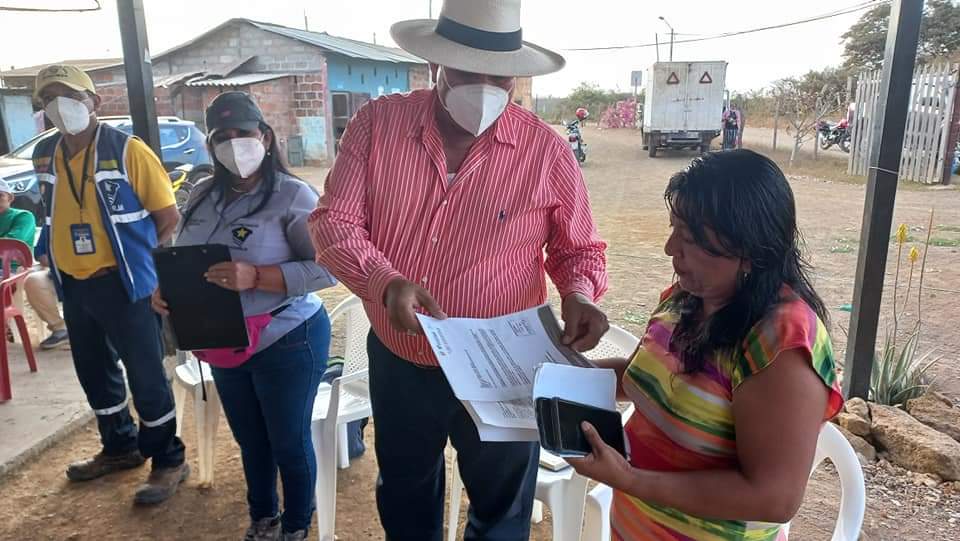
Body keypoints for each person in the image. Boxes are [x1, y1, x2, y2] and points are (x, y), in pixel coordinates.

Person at [310, 1, 609, 539]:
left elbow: (578, 250)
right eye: (470, 72)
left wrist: (579, 293)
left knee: (502, 510)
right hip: (403, 360)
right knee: (406, 493)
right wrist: (384, 281)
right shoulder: (377, 127)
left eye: (501, 76)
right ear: (435, 65)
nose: (487, 88)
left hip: (505, 369)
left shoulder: (544, 151)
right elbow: (334, 223)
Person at [566, 150, 844, 541]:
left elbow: (773, 497)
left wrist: (631, 479)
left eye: (691, 237)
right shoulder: (686, 300)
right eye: (674, 228)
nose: (670, 248)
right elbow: (642, 377)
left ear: (748, 247)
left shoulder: (780, 342)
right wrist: (557, 376)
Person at [153, 91, 336, 541]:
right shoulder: (201, 195)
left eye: (244, 133)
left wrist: (258, 276)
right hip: (223, 339)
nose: (234, 144)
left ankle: (296, 525)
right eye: (222, 136)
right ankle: (263, 517)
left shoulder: (293, 196)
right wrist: (167, 289)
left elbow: (329, 268)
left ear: (266, 137)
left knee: (288, 441)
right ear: (210, 144)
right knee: (251, 441)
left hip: (287, 337)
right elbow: (186, 256)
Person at [31, 64, 187, 504]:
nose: (59, 106)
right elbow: (51, 210)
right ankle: (119, 446)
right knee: (95, 372)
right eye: (49, 99)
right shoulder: (45, 152)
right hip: (75, 285)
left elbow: (168, 217)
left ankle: (168, 459)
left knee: (146, 376)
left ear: (94, 101)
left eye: (70, 96)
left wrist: (142, 263)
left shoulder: (127, 150)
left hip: (126, 285)